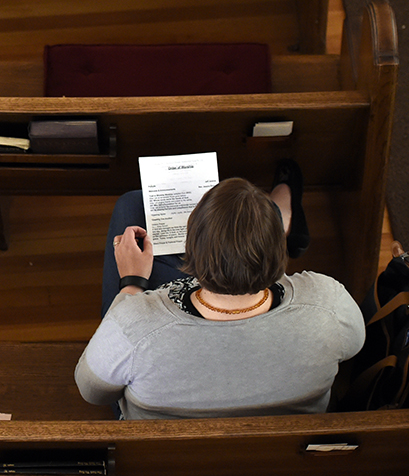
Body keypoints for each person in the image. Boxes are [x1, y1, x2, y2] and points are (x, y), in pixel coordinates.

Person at [74, 161, 365, 420]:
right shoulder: (327, 304)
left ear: (189, 253)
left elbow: (94, 391)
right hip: (284, 453)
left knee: (132, 204)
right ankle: (284, 214)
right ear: (279, 254)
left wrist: (132, 284)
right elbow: (355, 344)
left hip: (167, 457)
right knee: (262, 217)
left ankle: (284, 215)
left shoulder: (135, 325)